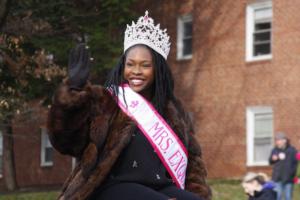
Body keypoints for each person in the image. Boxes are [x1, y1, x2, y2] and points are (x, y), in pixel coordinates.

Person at [47, 11, 211, 200]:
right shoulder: (107, 100)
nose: (136, 71)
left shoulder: (173, 111)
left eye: (145, 65)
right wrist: (73, 92)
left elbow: (192, 164)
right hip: (113, 187)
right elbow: (66, 140)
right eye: (130, 64)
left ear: (158, 69)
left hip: (161, 187)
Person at [269, 132, 298, 200]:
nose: (277, 142)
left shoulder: (292, 150)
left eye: (278, 140)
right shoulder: (274, 150)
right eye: (276, 140)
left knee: (288, 197)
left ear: (284, 140)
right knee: (277, 197)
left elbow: (296, 163)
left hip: (288, 179)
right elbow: (270, 161)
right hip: (277, 178)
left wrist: (292, 173)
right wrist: (273, 158)